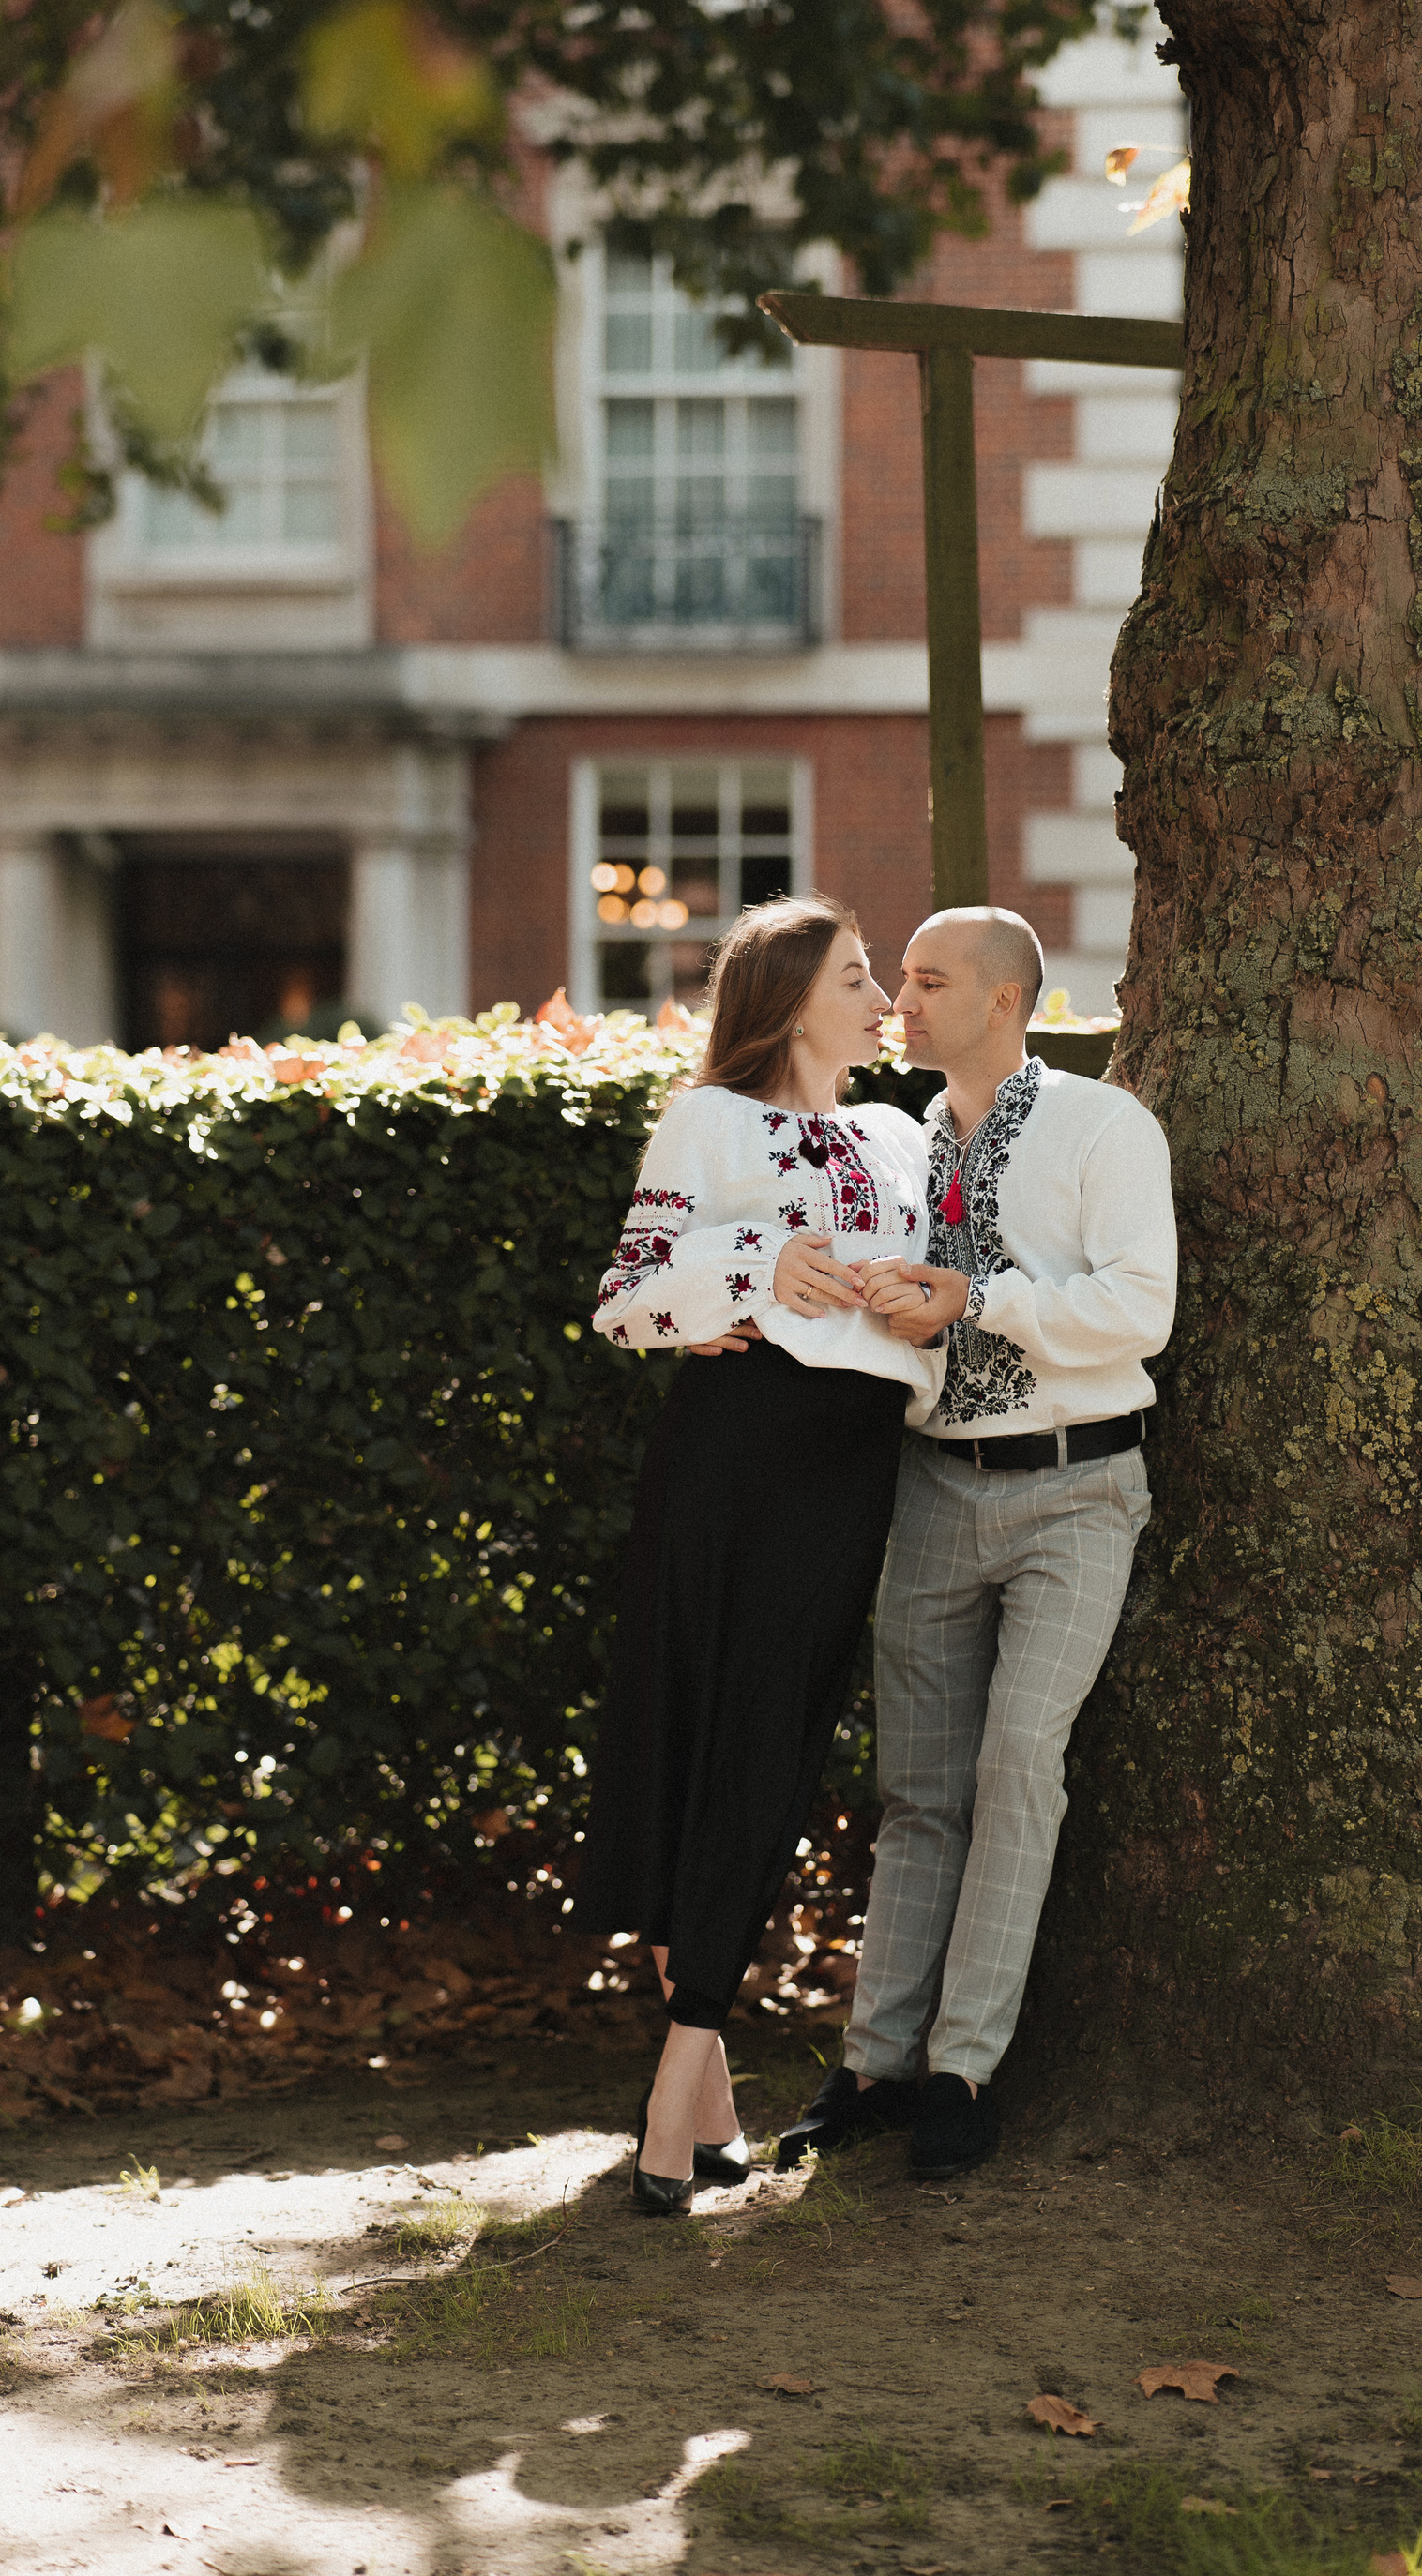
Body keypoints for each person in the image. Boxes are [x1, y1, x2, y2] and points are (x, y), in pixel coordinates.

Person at [777, 905, 1177, 2179]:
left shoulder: (1103, 1126)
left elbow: (1143, 1310)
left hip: (1078, 1490)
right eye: (899, 979)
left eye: (928, 980)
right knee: (919, 1790)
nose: (899, 1001)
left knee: (1016, 1766)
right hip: (935, 1486)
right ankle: (871, 2067)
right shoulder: (898, 1144)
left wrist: (980, 1298)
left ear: (1004, 998)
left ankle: (964, 2071)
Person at [573, 895, 937, 2214]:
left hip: (851, 1462)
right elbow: (626, 1302)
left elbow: (935, 1294)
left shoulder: (902, 1136)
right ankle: (692, 2080)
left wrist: (916, 1304)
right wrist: (753, 1268)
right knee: (693, 1729)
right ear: (785, 1002)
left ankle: (690, 2075)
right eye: (856, 978)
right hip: (731, 1447)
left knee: (773, 1735)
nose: (882, 1002)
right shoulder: (708, 1121)